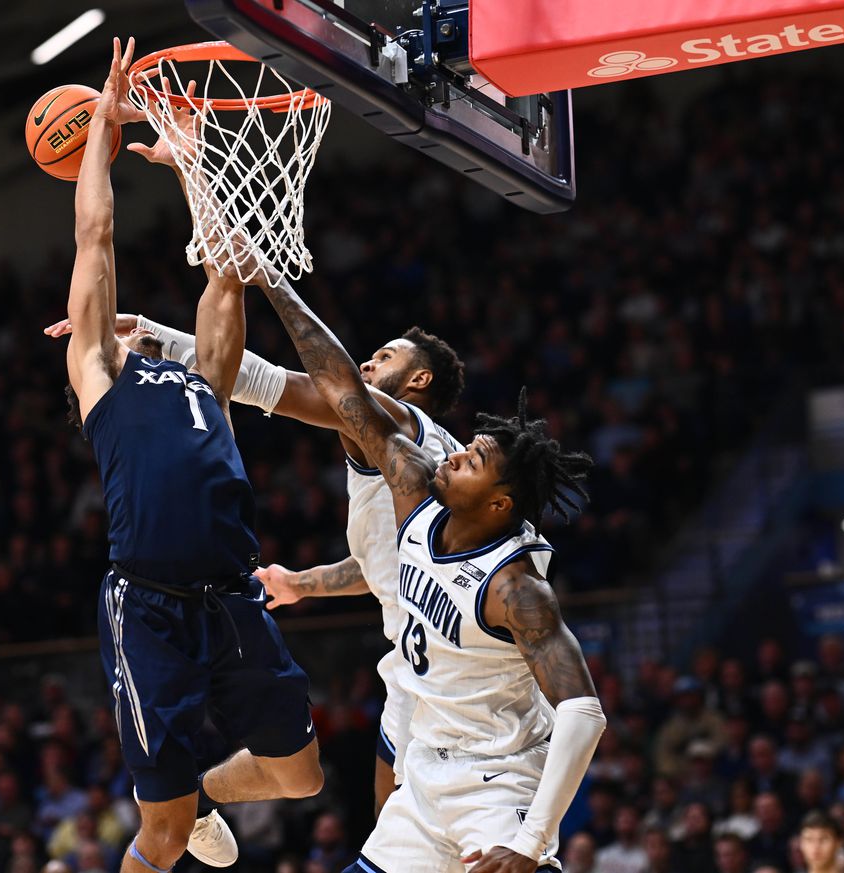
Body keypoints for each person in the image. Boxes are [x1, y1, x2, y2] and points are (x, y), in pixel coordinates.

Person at [50, 37, 323, 873]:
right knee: (161, 838)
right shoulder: (101, 381)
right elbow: (94, 235)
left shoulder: (208, 382)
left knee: (300, 775)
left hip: (233, 599)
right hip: (153, 608)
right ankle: (177, 813)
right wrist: (101, 121)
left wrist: (192, 161)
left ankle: (202, 792)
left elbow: (225, 275)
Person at [251, 272, 605, 872]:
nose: (460, 453)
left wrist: (529, 842)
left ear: (498, 504)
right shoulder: (414, 491)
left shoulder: (517, 589)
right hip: (426, 772)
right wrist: (269, 282)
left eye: (477, 461)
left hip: (497, 782)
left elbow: (583, 712)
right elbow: (344, 394)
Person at [63, 311, 465, 815]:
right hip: (421, 660)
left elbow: (262, 380)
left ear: (419, 379)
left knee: (414, 838)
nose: (365, 362)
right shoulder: (443, 453)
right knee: (395, 835)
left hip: (447, 672)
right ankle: (202, 800)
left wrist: (153, 336)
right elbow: (387, 566)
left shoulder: (388, 420)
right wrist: (302, 584)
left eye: (385, 357)